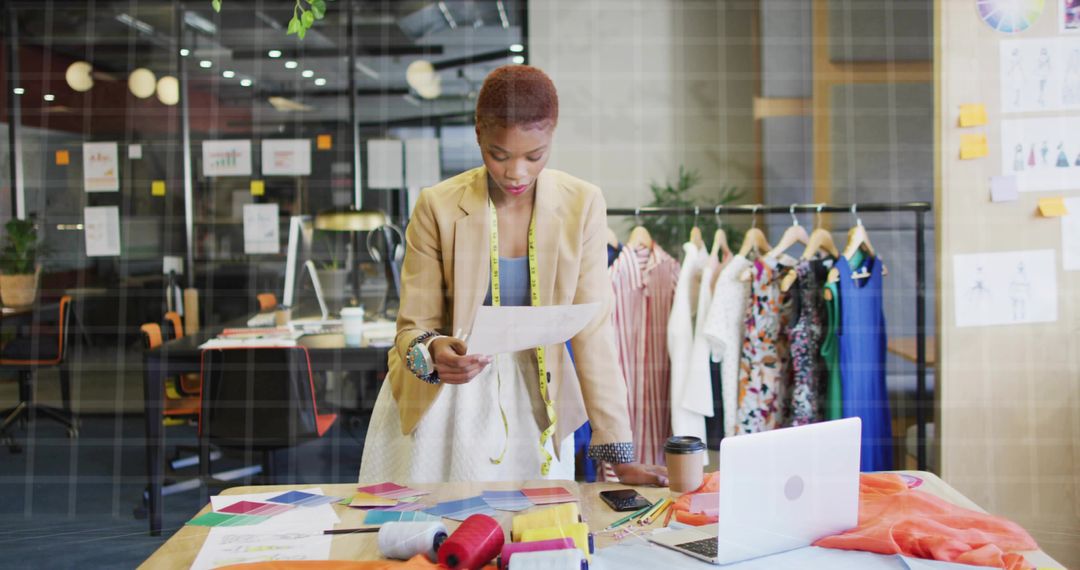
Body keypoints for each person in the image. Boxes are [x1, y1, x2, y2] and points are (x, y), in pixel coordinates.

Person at [359, 65, 668, 486]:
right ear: (478, 135)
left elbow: (593, 331)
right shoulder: (437, 206)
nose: (516, 172)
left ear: (552, 137)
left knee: (536, 523)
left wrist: (619, 452)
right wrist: (432, 353)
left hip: (538, 400)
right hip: (445, 404)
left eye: (534, 156)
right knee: (436, 523)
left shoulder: (583, 205)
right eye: (499, 154)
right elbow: (412, 326)